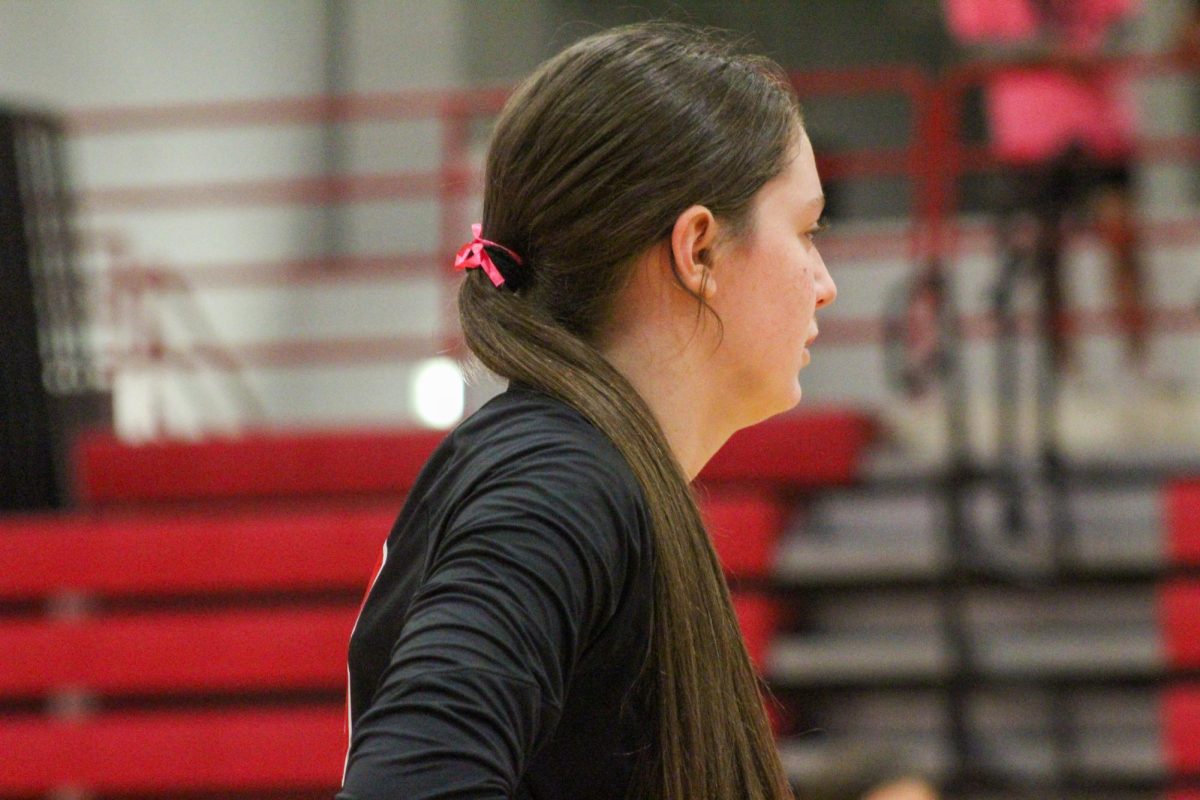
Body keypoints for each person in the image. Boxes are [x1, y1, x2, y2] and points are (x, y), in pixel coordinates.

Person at [336, 22, 837, 800]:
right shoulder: (559, 484)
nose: (824, 280)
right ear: (698, 250)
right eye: (806, 231)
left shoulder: (584, 468)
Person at [944, 0, 1150, 376]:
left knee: (1122, 243)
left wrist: (1093, 54)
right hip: (1030, 136)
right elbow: (975, 48)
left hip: (1102, 130)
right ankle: (1066, 372)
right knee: (1048, 256)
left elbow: (1127, 26)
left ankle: (1139, 366)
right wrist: (1055, 54)